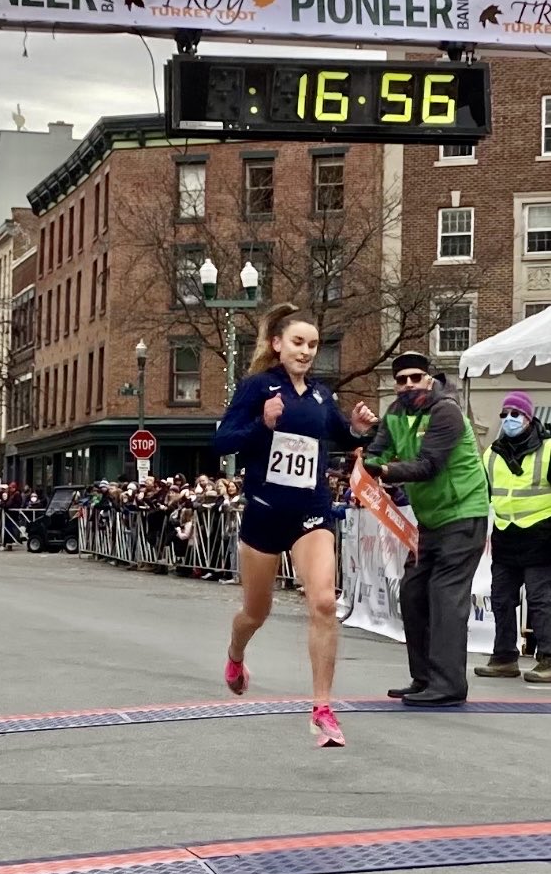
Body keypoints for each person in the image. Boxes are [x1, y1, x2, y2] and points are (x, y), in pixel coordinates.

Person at [214, 303, 377, 748]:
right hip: (265, 513)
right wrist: (262, 425)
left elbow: (343, 436)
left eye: (312, 345)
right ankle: (236, 652)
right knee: (256, 612)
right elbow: (223, 440)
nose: (306, 351)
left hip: (312, 511)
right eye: (298, 343)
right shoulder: (257, 388)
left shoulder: (322, 397)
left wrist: (360, 430)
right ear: (277, 345)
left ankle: (322, 709)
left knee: (324, 602)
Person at [365, 352, 489, 707]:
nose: (408, 385)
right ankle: (424, 679)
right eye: (401, 380)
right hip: (430, 521)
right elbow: (377, 452)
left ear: (430, 378)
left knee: (445, 598)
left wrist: (385, 473)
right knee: (413, 592)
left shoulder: (445, 411)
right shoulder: (394, 413)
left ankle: (449, 685)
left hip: (463, 514)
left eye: (415, 378)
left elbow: (429, 465)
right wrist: (362, 467)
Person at [474, 391, 551, 684]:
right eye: (504, 415)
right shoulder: (492, 454)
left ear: (529, 419)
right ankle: (504, 656)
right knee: (501, 599)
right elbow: (481, 491)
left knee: (541, 600)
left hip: (542, 534)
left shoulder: (548, 449)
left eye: (515, 414)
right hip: (506, 535)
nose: (508, 420)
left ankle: (548, 657)